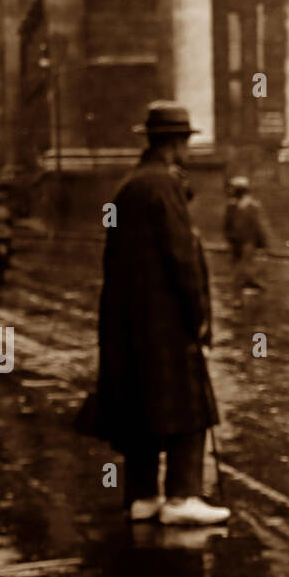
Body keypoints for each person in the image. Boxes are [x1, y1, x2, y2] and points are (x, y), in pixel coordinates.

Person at [86, 101, 228, 527]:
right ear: (175, 144)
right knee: (190, 404)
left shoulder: (129, 187)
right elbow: (182, 258)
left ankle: (143, 495)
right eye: (185, 142)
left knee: (140, 405)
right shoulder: (164, 187)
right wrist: (199, 317)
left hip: (129, 322)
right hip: (166, 322)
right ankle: (183, 495)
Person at [223, 176, 270, 306]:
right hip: (235, 243)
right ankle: (257, 286)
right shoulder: (231, 206)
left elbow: (259, 226)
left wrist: (263, 244)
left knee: (240, 271)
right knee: (240, 269)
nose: (232, 191)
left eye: (235, 189)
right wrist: (229, 239)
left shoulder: (252, 206)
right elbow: (227, 225)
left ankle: (237, 298)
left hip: (248, 243)